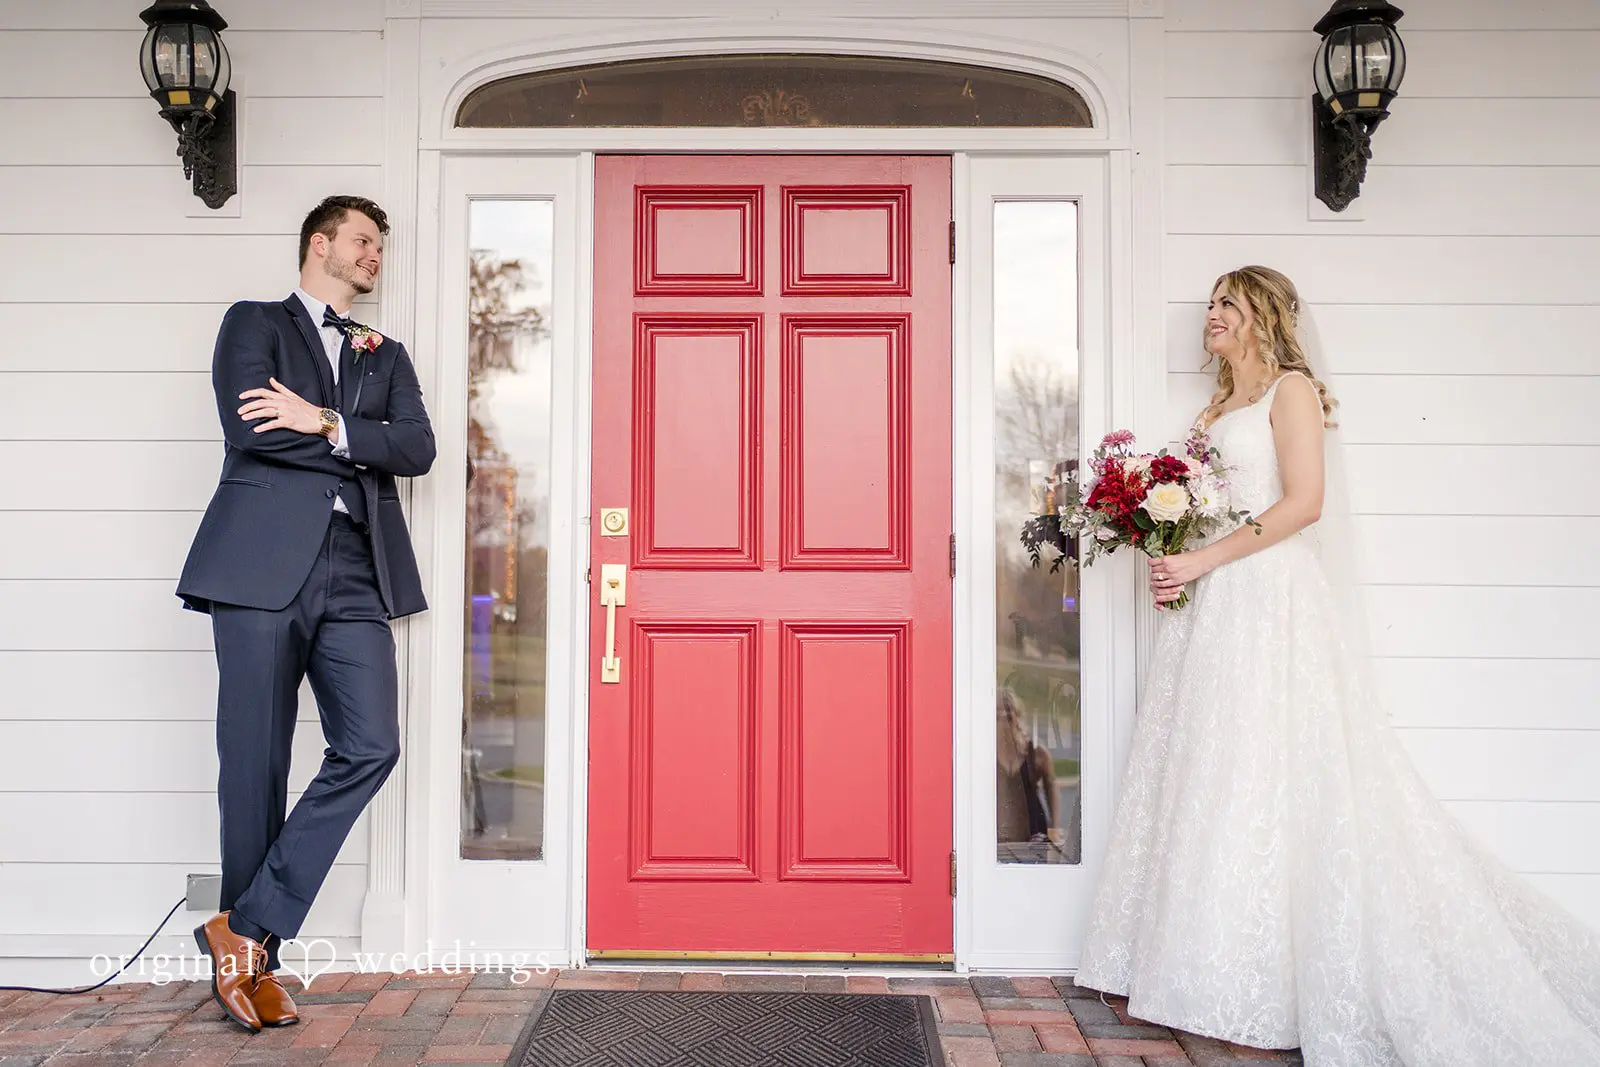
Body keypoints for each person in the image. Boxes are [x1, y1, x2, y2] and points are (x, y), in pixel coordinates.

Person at [1074, 266, 1600, 1065]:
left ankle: (1249, 982)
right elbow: (1212, 498)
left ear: (1262, 318)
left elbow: (1303, 501)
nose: (1210, 316)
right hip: (1214, 605)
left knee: (1267, 773)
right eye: (1211, 304)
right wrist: (1168, 543)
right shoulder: (1217, 408)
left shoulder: (1291, 391)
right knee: (1212, 770)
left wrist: (1206, 555)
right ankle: (1182, 967)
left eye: (1226, 305)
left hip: (1269, 600)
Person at [175, 195, 435, 1032]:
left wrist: (322, 418)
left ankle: (244, 927)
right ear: (320, 243)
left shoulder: (382, 351)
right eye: (363, 240)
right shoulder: (254, 322)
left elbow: (418, 447)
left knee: (372, 743)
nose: (374, 255)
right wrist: (355, 437)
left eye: (381, 247)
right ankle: (257, 969)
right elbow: (251, 425)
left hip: (356, 570)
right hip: (257, 567)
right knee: (253, 760)